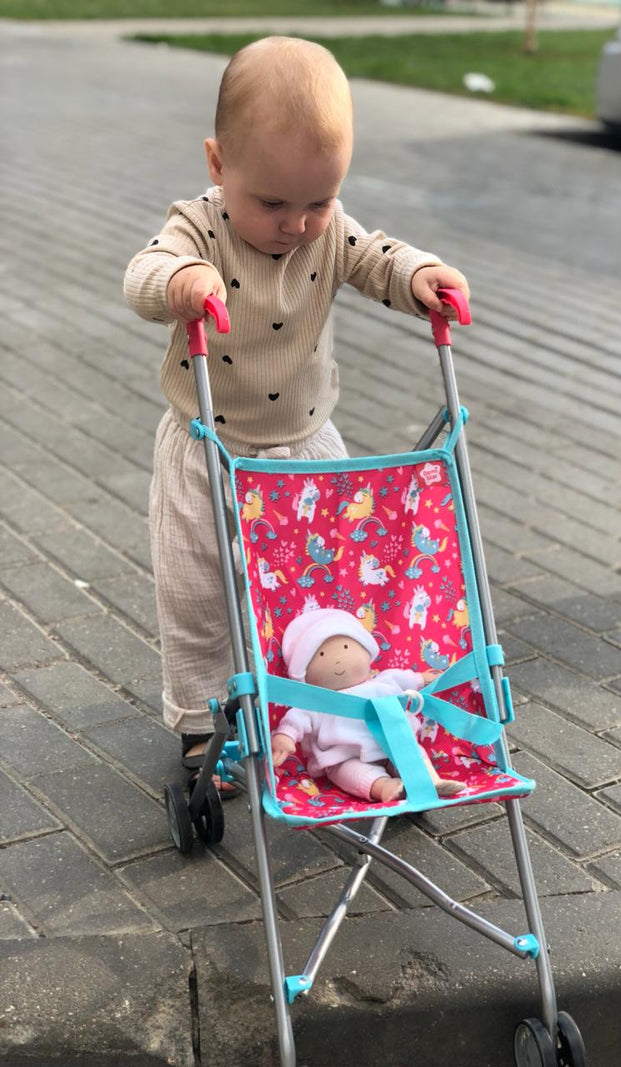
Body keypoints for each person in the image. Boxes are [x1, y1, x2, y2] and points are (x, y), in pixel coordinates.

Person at [123, 36, 470, 785]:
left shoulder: (328, 230)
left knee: (317, 598)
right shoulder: (198, 228)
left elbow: (375, 256)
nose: (298, 224)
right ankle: (202, 723)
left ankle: (323, 711)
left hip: (306, 448)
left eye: (319, 201)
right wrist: (181, 281)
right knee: (197, 593)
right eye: (274, 203)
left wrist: (418, 275)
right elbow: (143, 272)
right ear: (219, 165)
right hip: (207, 446)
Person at [273, 608, 466, 802]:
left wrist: (426, 678)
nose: (338, 660)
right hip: (344, 755)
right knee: (347, 772)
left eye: (346, 647)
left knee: (411, 751)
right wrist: (285, 736)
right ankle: (385, 787)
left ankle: (430, 780)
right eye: (321, 654)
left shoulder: (383, 681)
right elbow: (296, 719)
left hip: (394, 742)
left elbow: (411, 679)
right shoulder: (316, 703)